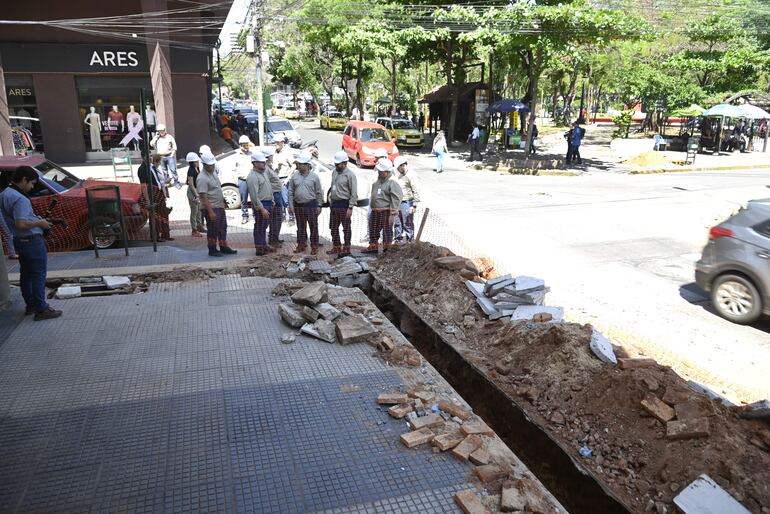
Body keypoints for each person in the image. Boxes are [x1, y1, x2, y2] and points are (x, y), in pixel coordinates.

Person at [0, 166, 62, 320]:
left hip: (19, 240)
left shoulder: (5, 194)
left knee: (26, 275)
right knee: (38, 275)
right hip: (31, 241)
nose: (32, 187)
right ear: (24, 180)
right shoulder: (20, 198)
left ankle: (31, 305)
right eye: (32, 184)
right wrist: (39, 223)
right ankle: (41, 308)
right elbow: (21, 223)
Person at [198, 153, 236, 257]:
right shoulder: (202, 178)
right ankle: (212, 249)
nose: (212, 166)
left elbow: (218, 189)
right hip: (212, 207)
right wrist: (210, 212)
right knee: (213, 229)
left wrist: (223, 201)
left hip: (219, 206)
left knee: (222, 227)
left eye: (213, 165)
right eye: (210, 165)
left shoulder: (213, 173)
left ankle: (223, 246)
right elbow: (203, 197)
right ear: (204, 165)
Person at [287, 152, 323, 255]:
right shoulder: (294, 177)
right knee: (300, 227)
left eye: (300, 164)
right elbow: (290, 192)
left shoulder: (314, 177)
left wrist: (319, 205)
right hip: (298, 205)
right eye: (297, 164)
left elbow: (319, 192)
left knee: (313, 226)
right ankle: (301, 244)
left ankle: (314, 245)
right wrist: (291, 205)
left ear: (307, 165)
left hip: (311, 205)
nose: (298, 166)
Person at [364, 158, 403, 254]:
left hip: (386, 211)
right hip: (375, 210)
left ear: (386, 172)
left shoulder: (392, 182)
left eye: (380, 171)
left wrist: (393, 214)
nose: (378, 173)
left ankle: (387, 251)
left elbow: (396, 198)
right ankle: (373, 247)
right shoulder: (378, 181)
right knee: (373, 230)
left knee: (387, 232)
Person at [137, 153, 173, 241]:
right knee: (155, 217)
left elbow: (157, 180)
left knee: (164, 214)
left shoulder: (151, 166)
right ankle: (155, 237)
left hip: (159, 192)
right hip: (152, 194)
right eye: (148, 156)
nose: (150, 157)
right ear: (143, 157)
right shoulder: (142, 169)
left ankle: (165, 234)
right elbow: (144, 186)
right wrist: (148, 200)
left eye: (150, 155)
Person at [328, 150, 358, 256]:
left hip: (344, 204)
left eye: (338, 164)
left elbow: (354, 193)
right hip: (334, 204)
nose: (336, 165)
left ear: (345, 163)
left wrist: (350, 207)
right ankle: (336, 247)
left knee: (346, 228)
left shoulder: (350, 175)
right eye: (335, 164)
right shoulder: (334, 172)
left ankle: (346, 248)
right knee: (333, 227)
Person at [246, 151, 274, 256]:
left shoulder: (263, 173)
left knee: (264, 226)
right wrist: (261, 209)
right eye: (262, 162)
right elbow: (254, 196)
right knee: (260, 226)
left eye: (264, 162)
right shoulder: (252, 177)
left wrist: (272, 201)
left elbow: (268, 188)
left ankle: (263, 245)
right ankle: (259, 247)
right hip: (261, 204)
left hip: (267, 203)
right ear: (255, 163)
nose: (264, 164)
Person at [392, 156, 420, 244]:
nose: (398, 169)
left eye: (399, 167)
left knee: (407, 223)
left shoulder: (411, 175)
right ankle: (398, 239)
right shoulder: (396, 173)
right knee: (397, 222)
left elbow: (416, 190)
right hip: (396, 202)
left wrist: (414, 205)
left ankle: (410, 241)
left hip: (407, 202)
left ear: (403, 165)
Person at [262, 146, 284, 248]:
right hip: (274, 195)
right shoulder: (266, 168)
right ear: (268, 157)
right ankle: (273, 239)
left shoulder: (269, 167)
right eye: (271, 156)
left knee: (277, 218)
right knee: (275, 218)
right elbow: (267, 183)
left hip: (277, 194)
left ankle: (275, 237)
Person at [150, 124, 180, 188]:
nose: (160, 132)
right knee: (164, 171)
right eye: (159, 131)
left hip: (169, 156)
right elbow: (151, 144)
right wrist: (156, 137)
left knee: (173, 170)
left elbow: (174, 147)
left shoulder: (169, 137)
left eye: (161, 131)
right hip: (161, 156)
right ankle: (167, 182)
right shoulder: (157, 138)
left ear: (164, 130)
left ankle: (176, 182)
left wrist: (172, 155)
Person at [185, 152, 206, 238]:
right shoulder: (190, 170)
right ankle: (194, 230)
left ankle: (199, 226)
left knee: (199, 211)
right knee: (194, 211)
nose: (198, 162)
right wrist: (196, 195)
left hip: (197, 191)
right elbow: (191, 184)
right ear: (192, 162)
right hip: (192, 192)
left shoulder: (197, 168)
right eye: (196, 161)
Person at [234, 135, 254, 224]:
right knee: (243, 200)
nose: (246, 147)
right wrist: (235, 180)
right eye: (244, 145)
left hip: (252, 180)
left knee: (254, 198)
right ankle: (245, 216)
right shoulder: (237, 155)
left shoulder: (252, 154)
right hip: (242, 180)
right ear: (240, 145)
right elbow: (233, 169)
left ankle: (255, 215)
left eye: (247, 145)